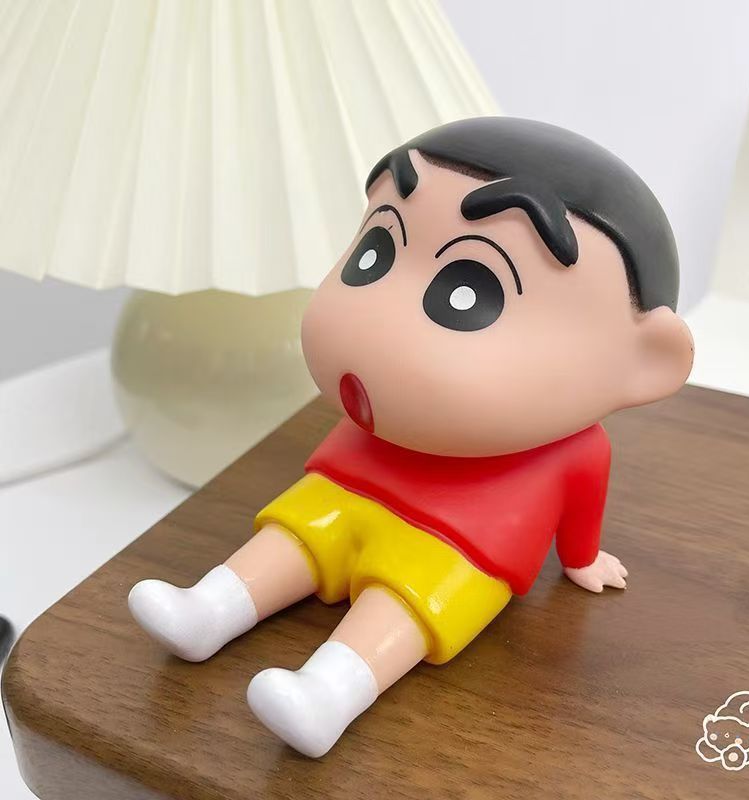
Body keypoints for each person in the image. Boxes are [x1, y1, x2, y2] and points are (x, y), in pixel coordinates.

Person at [129, 117, 694, 757]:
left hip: (463, 546)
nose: (376, 318)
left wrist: (582, 560)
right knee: (290, 539)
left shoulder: (576, 448)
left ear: (645, 362)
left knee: (404, 602)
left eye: (469, 290)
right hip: (347, 489)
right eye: (374, 252)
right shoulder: (386, 417)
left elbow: (582, 508)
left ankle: (328, 694)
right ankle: (207, 610)